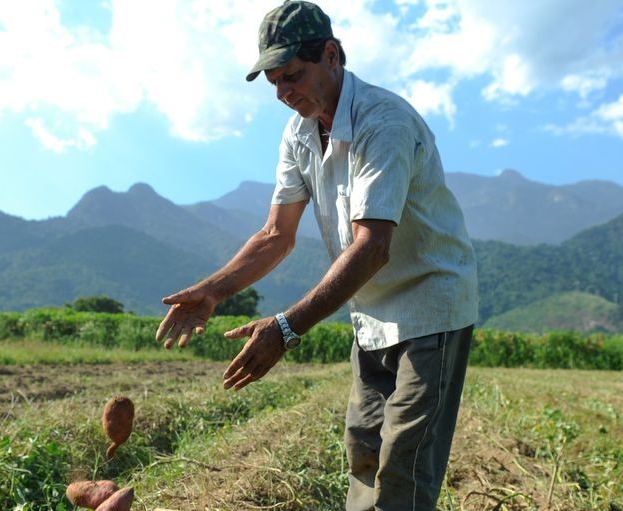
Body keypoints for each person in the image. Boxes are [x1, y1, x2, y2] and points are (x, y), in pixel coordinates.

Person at [155, 1, 479, 509]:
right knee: (363, 451)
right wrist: (213, 291)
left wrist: (286, 328)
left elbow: (372, 247)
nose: (284, 94)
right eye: (275, 84)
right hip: (370, 312)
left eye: (292, 76)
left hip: (429, 306)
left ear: (332, 55)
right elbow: (275, 234)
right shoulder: (300, 133)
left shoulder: (382, 121)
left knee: (403, 467)